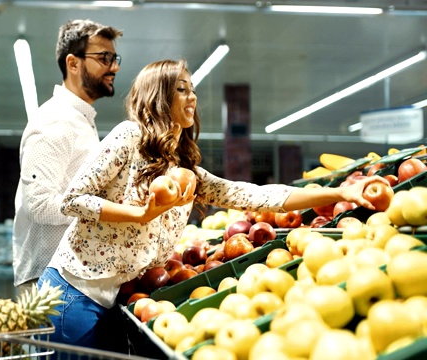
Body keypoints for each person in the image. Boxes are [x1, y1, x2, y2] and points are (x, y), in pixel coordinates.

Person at [38, 59, 384, 348]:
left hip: (118, 298)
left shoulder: (187, 173)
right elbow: (72, 199)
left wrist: (340, 193)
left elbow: (259, 196)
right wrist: (140, 215)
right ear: (158, 96)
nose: (193, 96)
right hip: (74, 291)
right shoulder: (130, 136)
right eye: (182, 88)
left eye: (193, 89)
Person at [12, 19, 123, 296]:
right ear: (73, 64)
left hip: (70, 276)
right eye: (104, 58)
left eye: (114, 57)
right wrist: (105, 210)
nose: (115, 67)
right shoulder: (54, 122)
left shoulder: (81, 120)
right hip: (48, 282)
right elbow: (38, 205)